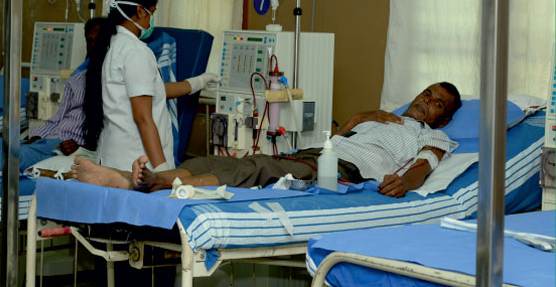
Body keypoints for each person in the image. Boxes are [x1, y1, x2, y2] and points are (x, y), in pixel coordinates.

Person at [72, 82, 462, 198]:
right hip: (318, 154)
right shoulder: (382, 117)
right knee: (219, 161)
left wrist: (403, 183)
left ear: (443, 117)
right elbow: (338, 137)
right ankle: (138, 179)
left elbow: (424, 167)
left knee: (258, 168)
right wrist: (359, 118)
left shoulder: (435, 136)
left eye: (436, 103)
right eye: (426, 93)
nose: (425, 101)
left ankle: (149, 182)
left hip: (344, 170)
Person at [85, 0, 219, 172]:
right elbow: (143, 118)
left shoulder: (112, 45)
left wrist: (199, 81)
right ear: (140, 10)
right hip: (137, 164)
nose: (151, 21)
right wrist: (162, 171)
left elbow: (153, 90)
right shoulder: (136, 51)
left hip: (114, 158)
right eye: (152, 12)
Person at [28, 17, 106, 154]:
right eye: (90, 41)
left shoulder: (115, 84)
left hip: (68, 147)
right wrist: (36, 137)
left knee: (13, 160)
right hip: (50, 140)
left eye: (99, 40)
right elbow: (56, 120)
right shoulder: (76, 80)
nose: (94, 45)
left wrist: (81, 147)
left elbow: (108, 134)